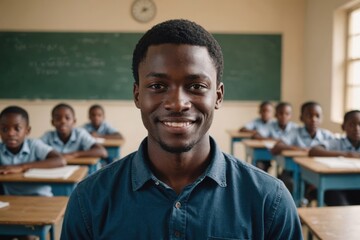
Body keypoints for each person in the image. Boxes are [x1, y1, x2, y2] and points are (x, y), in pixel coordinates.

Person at [61, 19, 302, 239]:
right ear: (137, 95)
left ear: (217, 96)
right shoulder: (89, 200)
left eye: (196, 85)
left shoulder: (269, 200)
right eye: (157, 85)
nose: (177, 103)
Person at [0, 106, 66, 196]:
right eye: (4, 129)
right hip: (11, 200)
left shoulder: (34, 145)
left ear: (27, 131)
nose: (10, 133)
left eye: (17, 128)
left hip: (41, 198)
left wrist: (22, 167)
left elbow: (60, 160)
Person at [309, 110, 360, 205]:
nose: (357, 128)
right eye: (352, 124)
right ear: (343, 127)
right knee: (341, 205)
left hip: (357, 187)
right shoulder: (336, 142)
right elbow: (314, 151)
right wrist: (347, 154)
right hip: (336, 187)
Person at [41, 103, 108, 160]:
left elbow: (102, 152)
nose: (63, 121)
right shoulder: (48, 136)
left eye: (67, 118)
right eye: (58, 118)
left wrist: (75, 154)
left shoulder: (80, 134)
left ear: (74, 121)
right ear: (52, 122)